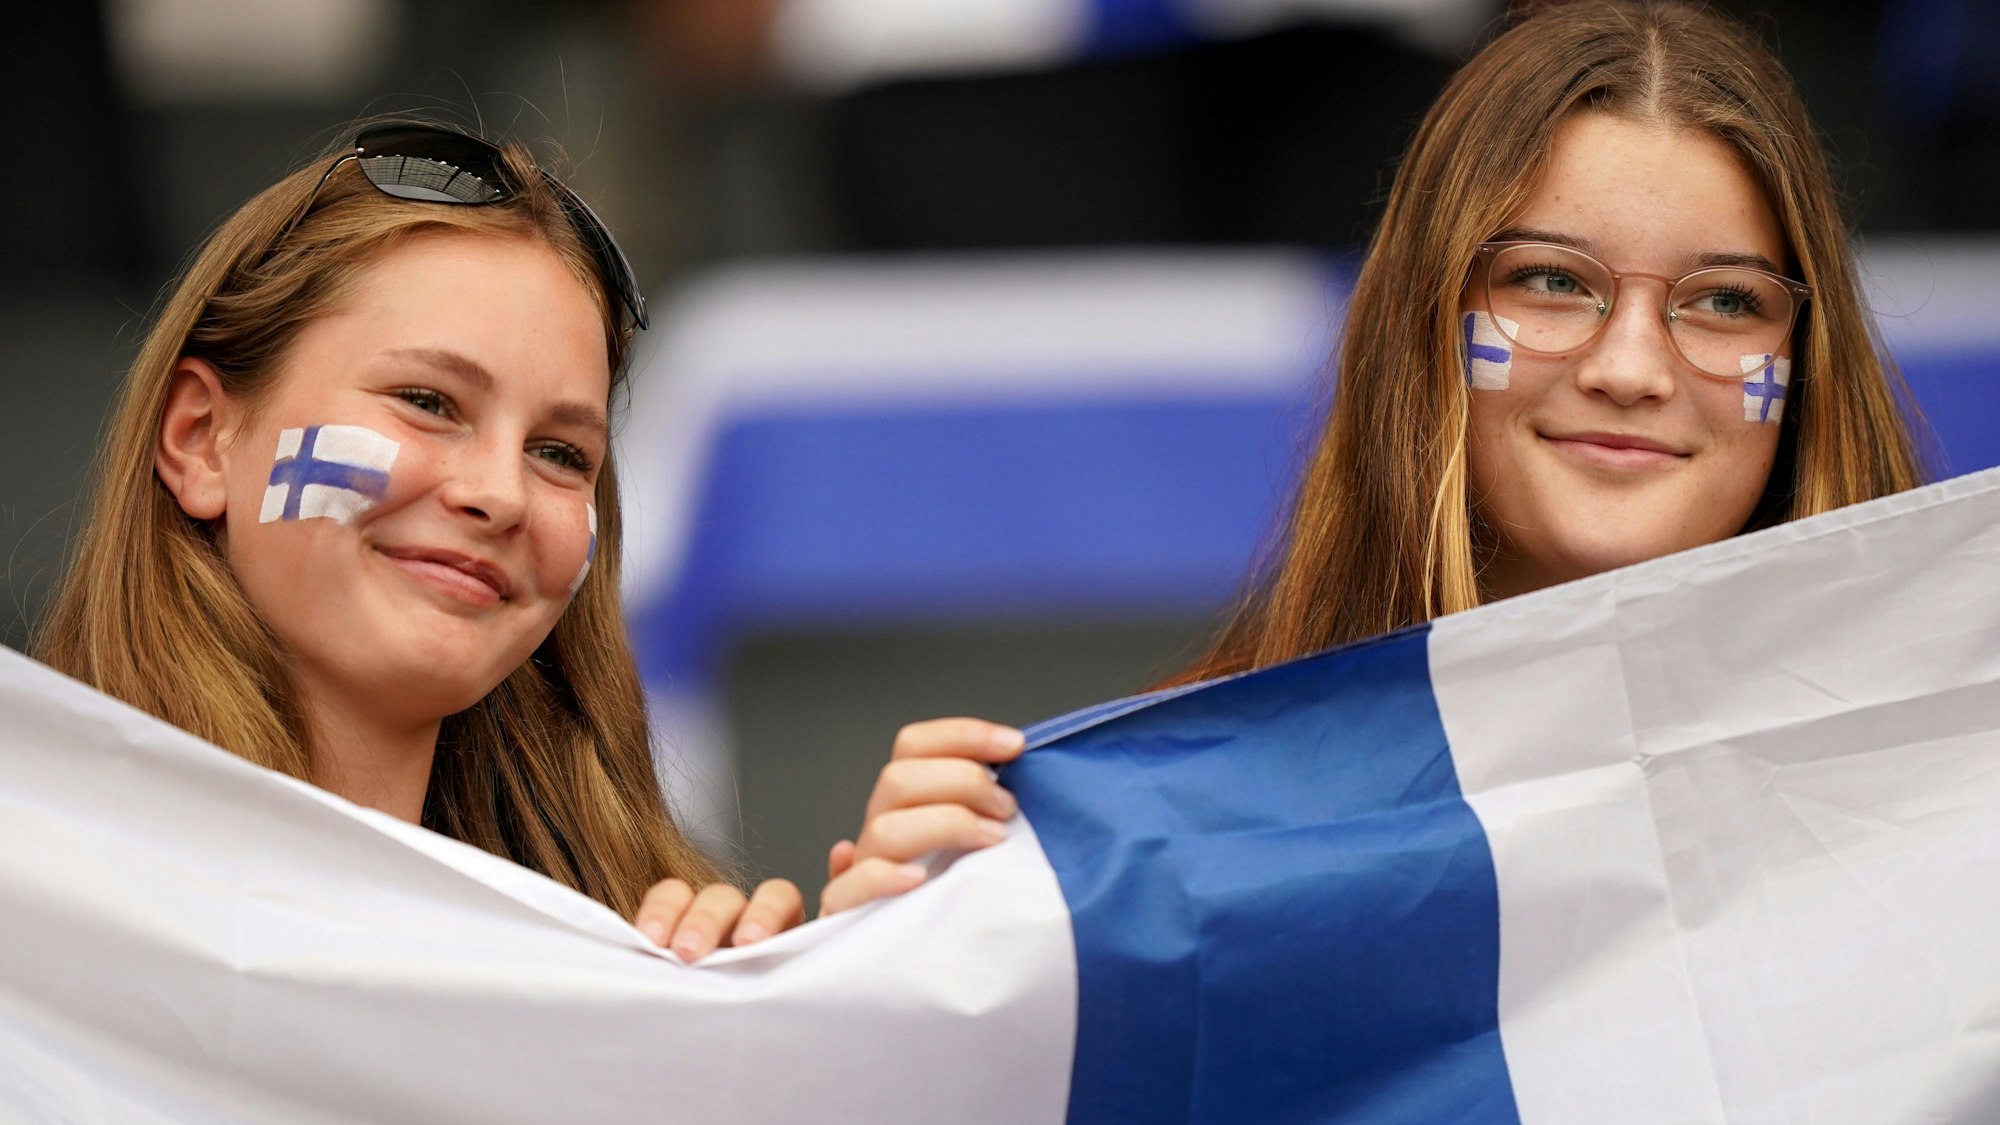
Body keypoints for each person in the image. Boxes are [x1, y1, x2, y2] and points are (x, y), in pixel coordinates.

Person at [30, 122, 1024, 962]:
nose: (499, 494)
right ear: (204, 440)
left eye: (559, 453)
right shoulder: (33, 891)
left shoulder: (643, 956)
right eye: (426, 401)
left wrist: (825, 1016)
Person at [1158, 0, 1926, 685]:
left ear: (1810, 363)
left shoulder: (1956, 775)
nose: (1629, 370)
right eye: (1553, 281)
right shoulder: (1184, 809)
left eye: (1725, 299)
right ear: (1418, 321)